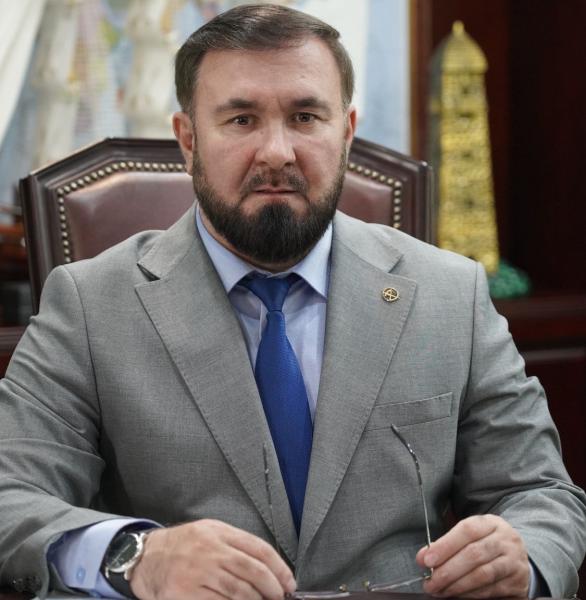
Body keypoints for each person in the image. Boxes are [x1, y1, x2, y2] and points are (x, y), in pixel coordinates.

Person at [0, 4, 585, 600]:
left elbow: (542, 494)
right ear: (188, 140)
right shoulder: (90, 306)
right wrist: (138, 557)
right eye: (242, 119)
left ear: (347, 132)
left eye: (305, 117)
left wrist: (522, 558)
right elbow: (10, 497)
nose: (277, 151)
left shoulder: (449, 294)